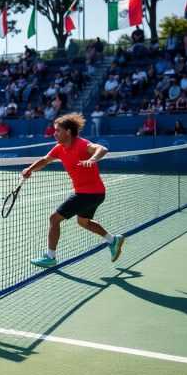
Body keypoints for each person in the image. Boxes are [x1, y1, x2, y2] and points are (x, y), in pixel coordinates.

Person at [22, 113, 123, 268]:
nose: (54, 133)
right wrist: (30, 169)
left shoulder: (82, 144)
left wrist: (92, 159)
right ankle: (112, 240)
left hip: (88, 193)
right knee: (83, 221)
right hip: (95, 193)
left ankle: (50, 257)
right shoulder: (59, 149)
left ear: (68, 131)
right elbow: (44, 160)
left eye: (58, 131)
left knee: (54, 218)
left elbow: (101, 149)